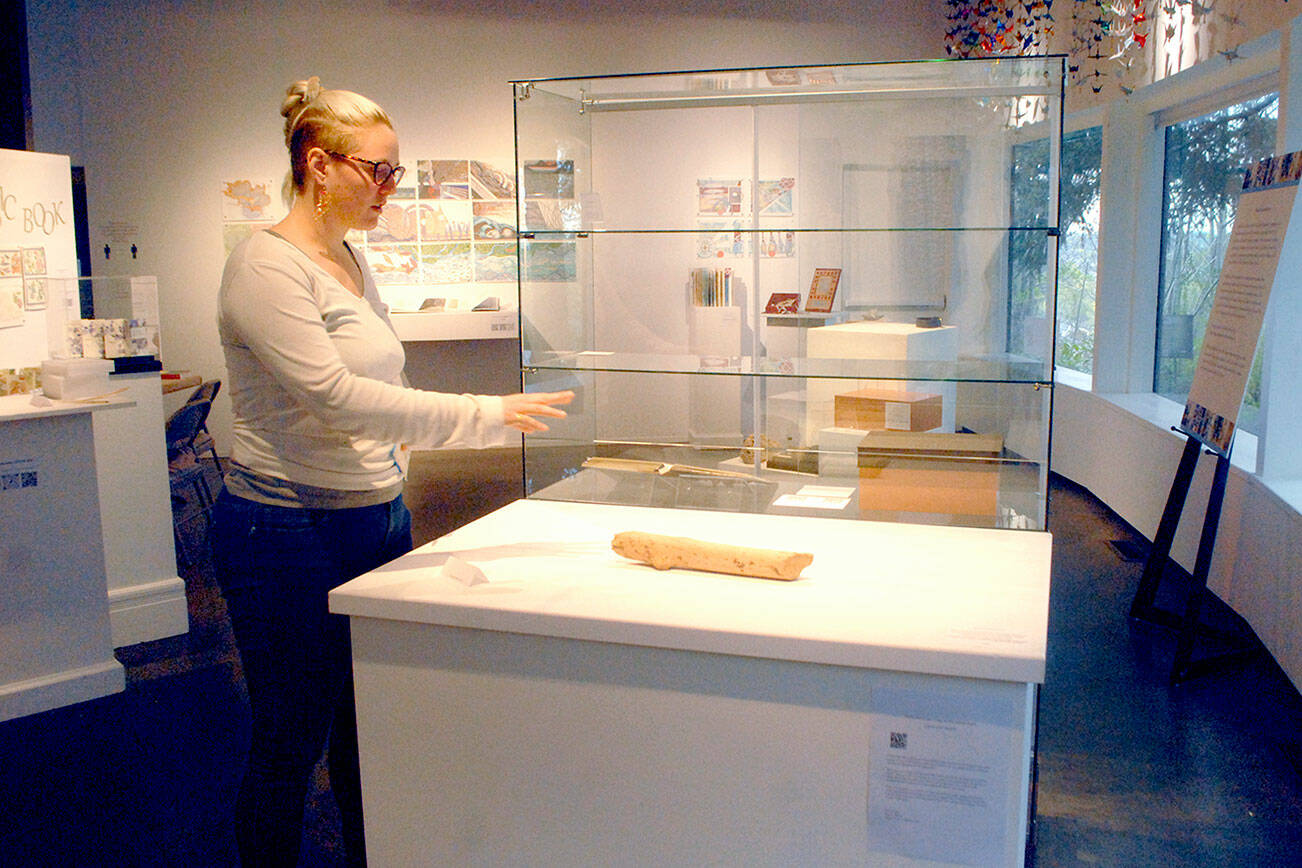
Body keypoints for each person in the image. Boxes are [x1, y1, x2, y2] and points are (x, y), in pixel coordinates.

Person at [210, 76, 571, 867]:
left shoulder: (346, 260)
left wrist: (396, 466)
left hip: (370, 517)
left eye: (393, 173)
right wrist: (484, 414)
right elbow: (336, 398)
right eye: (376, 170)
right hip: (285, 533)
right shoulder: (265, 269)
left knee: (367, 724)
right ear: (318, 164)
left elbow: (385, 383)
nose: (388, 189)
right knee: (290, 736)